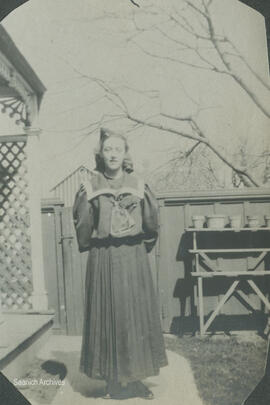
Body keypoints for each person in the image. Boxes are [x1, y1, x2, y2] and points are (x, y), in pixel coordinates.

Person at [72, 127, 168, 400]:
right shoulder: (89, 187)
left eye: (118, 149)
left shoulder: (139, 185)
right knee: (108, 315)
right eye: (107, 149)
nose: (113, 154)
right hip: (103, 258)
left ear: (125, 153)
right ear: (100, 155)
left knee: (135, 317)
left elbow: (151, 224)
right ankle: (113, 381)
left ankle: (136, 379)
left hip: (133, 258)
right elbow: (83, 225)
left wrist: (139, 245)